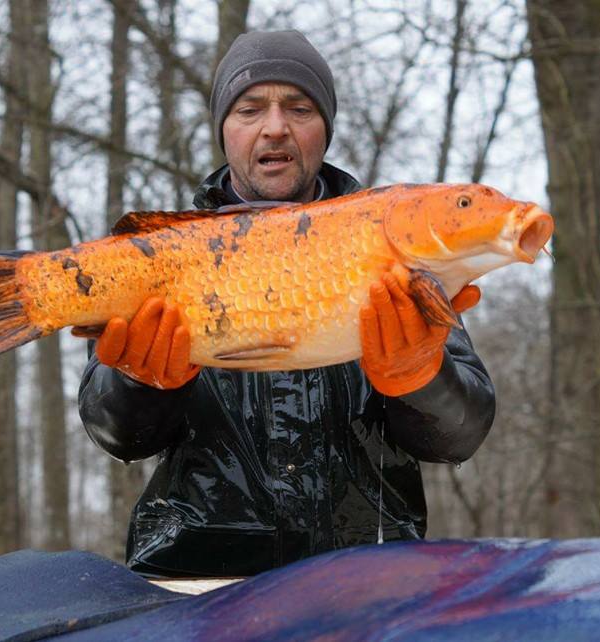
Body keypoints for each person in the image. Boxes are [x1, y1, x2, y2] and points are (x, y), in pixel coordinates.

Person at [78, 30, 496, 578]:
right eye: (250, 109)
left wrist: (420, 376)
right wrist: (140, 381)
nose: (275, 126)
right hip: (195, 574)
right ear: (225, 131)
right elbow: (117, 436)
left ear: (324, 129)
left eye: (299, 108)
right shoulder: (165, 255)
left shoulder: (400, 246)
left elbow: (460, 435)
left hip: (367, 573)